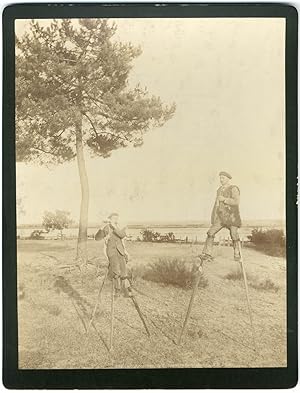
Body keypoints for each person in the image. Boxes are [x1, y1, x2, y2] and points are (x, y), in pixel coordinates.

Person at [201, 171, 242, 261]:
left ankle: (237, 253)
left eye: (223, 178)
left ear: (228, 179)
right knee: (210, 233)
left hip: (232, 216)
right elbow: (216, 204)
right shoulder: (219, 190)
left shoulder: (233, 188)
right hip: (221, 217)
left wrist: (224, 199)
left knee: (234, 234)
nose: (221, 180)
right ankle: (207, 254)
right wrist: (214, 217)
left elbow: (236, 202)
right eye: (220, 178)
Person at [95, 213, 132, 297]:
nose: (115, 220)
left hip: (120, 251)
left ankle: (125, 291)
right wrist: (101, 228)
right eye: (113, 218)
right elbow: (97, 238)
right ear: (110, 219)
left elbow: (122, 235)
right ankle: (117, 290)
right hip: (111, 252)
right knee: (116, 272)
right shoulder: (106, 227)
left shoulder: (119, 226)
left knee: (124, 271)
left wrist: (114, 227)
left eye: (116, 218)